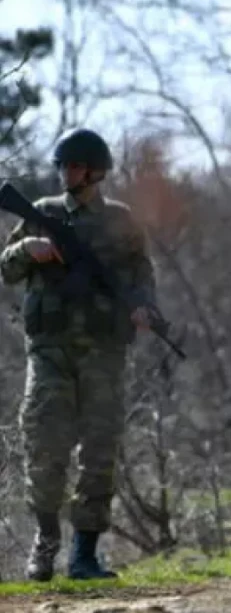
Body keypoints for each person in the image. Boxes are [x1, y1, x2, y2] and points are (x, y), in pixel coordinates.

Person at [0, 128, 157, 581]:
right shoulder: (42, 214)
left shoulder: (122, 221)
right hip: (49, 352)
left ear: (96, 171)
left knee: (100, 451)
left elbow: (142, 274)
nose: (66, 173)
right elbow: (5, 269)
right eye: (63, 166)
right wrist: (26, 249)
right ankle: (45, 546)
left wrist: (145, 307)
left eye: (75, 166)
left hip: (105, 353)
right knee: (45, 446)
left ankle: (85, 555)